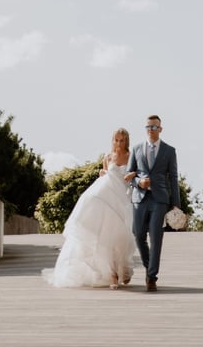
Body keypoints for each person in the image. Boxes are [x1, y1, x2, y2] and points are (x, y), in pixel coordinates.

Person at [43, 127, 137, 289]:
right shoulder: (108, 157)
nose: (118, 143)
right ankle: (112, 275)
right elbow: (105, 173)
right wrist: (102, 172)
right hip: (105, 196)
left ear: (126, 141)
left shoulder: (131, 156)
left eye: (122, 140)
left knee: (120, 236)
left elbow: (138, 172)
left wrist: (133, 174)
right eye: (116, 140)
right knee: (104, 235)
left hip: (121, 199)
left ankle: (122, 270)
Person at [126, 114, 179, 293]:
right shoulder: (136, 149)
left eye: (154, 127)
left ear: (160, 129)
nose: (151, 130)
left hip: (159, 199)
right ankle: (149, 267)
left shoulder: (169, 151)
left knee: (156, 237)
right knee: (138, 234)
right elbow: (129, 175)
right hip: (139, 198)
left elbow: (173, 178)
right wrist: (138, 182)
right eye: (148, 127)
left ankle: (152, 277)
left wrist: (176, 204)